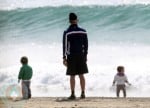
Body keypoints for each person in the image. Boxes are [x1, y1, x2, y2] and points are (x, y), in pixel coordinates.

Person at [63, 13, 88, 99]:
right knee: (81, 75)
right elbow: (86, 45)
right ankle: (83, 93)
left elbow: (65, 46)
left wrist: (64, 57)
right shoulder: (83, 31)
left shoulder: (67, 32)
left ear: (69, 21)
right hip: (81, 55)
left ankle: (73, 94)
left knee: (72, 75)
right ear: (77, 20)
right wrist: (85, 56)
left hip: (72, 56)